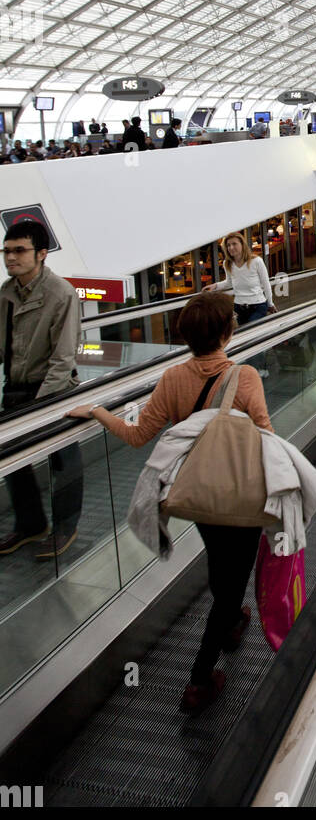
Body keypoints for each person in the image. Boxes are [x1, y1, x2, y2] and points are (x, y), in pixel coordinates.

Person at [69, 292, 276, 713]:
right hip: (240, 492)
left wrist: (98, 412)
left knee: (222, 565)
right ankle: (199, 680)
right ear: (226, 332)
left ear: (185, 337)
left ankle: (234, 617)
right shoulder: (246, 377)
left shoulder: (171, 379)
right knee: (231, 577)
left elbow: (138, 435)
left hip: (196, 494)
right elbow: (267, 439)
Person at [0, 221, 84, 558]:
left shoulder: (60, 293)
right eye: (7, 251)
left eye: (20, 250)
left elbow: (63, 357)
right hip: (16, 388)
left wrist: (43, 406)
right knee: (13, 459)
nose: (11, 258)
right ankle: (31, 525)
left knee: (62, 458)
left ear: (42, 254)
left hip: (53, 389)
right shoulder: (6, 294)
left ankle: (66, 525)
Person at [207, 232, 275, 325]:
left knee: (251, 331)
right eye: (228, 245)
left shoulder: (256, 261)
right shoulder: (227, 263)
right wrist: (215, 286)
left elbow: (266, 284)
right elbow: (229, 283)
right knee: (244, 334)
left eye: (234, 244)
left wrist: (270, 304)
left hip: (258, 306)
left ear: (242, 244)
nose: (231, 247)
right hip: (239, 307)